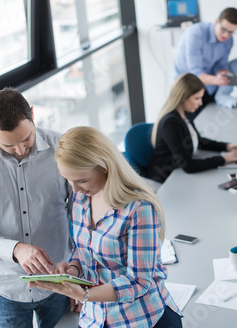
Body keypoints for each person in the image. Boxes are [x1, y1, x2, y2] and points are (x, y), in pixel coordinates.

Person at [30, 126, 182, 328]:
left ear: (104, 166)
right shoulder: (81, 198)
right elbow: (83, 248)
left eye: (82, 180)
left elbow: (138, 281)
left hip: (141, 319)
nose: (74, 189)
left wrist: (85, 294)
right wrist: (73, 268)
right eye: (68, 180)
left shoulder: (139, 209)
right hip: (95, 319)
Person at [0, 88, 73, 327]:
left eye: (27, 138)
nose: (20, 150)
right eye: (9, 145)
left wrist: (83, 273)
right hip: (5, 289)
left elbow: (83, 213)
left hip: (61, 278)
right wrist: (15, 249)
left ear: (32, 114)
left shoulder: (62, 146)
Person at [145, 73, 237, 183]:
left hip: (177, 175)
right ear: (183, 98)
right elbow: (188, 166)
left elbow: (198, 141)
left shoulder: (185, 114)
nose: (200, 103)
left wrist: (227, 146)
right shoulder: (170, 123)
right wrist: (224, 159)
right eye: (197, 98)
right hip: (162, 182)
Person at [174, 7, 237, 114]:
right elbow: (195, 73)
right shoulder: (195, 33)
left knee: (209, 120)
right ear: (216, 21)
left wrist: (222, 72)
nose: (226, 35)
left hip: (209, 87)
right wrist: (217, 80)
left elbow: (220, 64)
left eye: (231, 32)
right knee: (189, 123)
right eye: (223, 29)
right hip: (187, 88)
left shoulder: (229, 41)